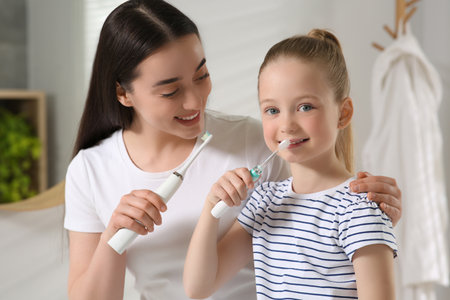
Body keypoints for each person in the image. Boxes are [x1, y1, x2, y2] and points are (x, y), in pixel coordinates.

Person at [63, 1, 402, 299]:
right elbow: (197, 287)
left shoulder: (256, 143)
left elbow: (318, 212)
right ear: (123, 94)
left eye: (202, 75)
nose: (195, 101)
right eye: (170, 91)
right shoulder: (91, 170)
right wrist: (113, 236)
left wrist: (374, 216)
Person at [183, 29, 397, 300]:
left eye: (305, 106)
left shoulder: (358, 209)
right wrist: (211, 209)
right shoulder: (264, 202)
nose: (286, 125)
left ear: (343, 114)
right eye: (272, 110)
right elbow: (198, 287)